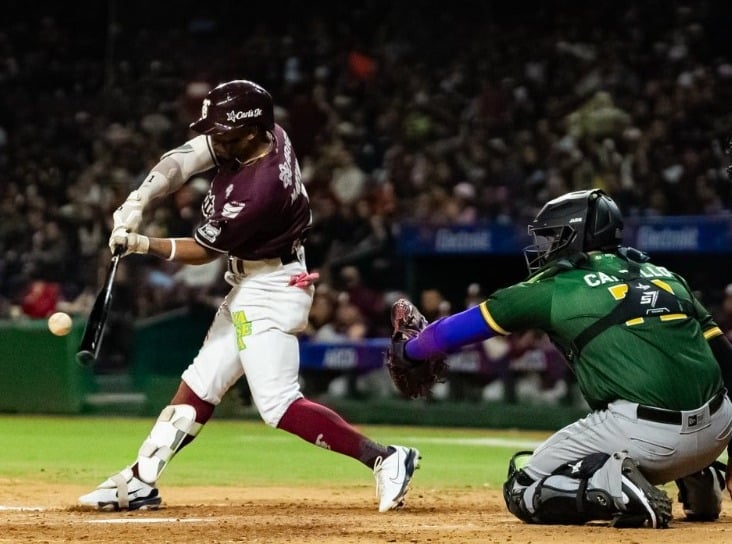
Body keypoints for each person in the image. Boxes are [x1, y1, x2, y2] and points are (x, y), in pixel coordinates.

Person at [78, 80, 419, 513]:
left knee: (277, 404)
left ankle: (386, 458)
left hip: (271, 288)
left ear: (252, 130)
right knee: (201, 383)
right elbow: (186, 158)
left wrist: (142, 244)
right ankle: (141, 478)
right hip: (253, 283)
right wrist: (139, 198)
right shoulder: (265, 135)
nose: (216, 140)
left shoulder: (259, 190)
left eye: (224, 133)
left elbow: (203, 252)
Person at [393, 189, 732, 528]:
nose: (544, 247)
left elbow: (452, 332)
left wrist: (408, 352)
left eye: (551, 236)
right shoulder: (667, 277)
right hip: (718, 431)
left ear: (575, 234)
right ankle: (702, 481)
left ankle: (615, 488)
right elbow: (724, 359)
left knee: (522, 488)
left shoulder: (554, 287)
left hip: (647, 436)